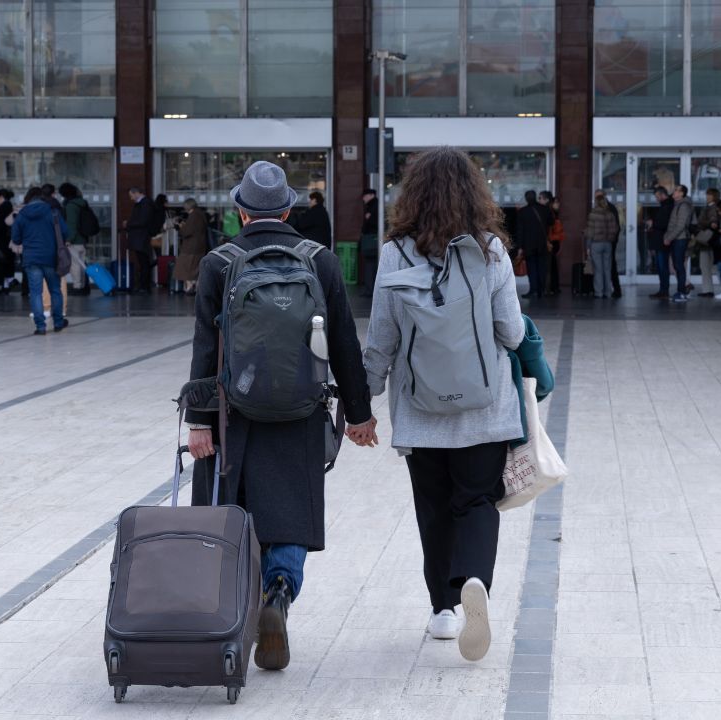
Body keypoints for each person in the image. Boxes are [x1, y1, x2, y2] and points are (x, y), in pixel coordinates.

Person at [186, 160, 376, 672]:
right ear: (289, 211)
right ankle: (279, 593)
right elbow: (343, 345)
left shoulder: (218, 263)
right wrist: (360, 415)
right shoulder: (321, 262)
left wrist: (199, 422)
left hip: (233, 415)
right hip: (301, 412)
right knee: (291, 512)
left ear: (240, 212)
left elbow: (205, 348)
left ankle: (238, 614)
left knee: (233, 513)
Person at [362, 146, 522, 662]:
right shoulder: (491, 250)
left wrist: (363, 401)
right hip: (484, 408)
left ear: (413, 194)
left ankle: (444, 610)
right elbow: (511, 332)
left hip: (421, 409)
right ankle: (474, 579)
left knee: (433, 510)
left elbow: (382, 337)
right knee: (477, 501)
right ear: (476, 193)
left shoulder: (395, 253)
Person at [11, 186, 68, 335]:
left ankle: (40, 326)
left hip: (31, 258)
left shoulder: (22, 214)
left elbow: (16, 239)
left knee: (36, 293)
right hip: (51, 257)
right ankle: (58, 323)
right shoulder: (53, 212)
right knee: (55, 290)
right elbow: (65, 232)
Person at [516, 190, 552, 299]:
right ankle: (542, 290)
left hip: (529, 245)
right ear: (536, 197)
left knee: (531, 268)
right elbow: (551, 222)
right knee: (542, 267)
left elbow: (520, 231)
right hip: (542, 245)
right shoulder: (545, 209)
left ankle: (534, 290)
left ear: (526, 199)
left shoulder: (523, 212)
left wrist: (520, 247)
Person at [663, 184, 694, 303]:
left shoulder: (683, 206)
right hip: (676, 239)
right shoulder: (678, 204)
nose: (674, 192)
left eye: (676, 190)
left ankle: (682, 292)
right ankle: (682, 291)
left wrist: (669, 238)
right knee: (677, 265)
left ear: (682, 193)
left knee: (679, 266)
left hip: (680, 239)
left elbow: (680, 225)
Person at [123, 187, 156, 293]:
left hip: (141, 237)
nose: (131, 198)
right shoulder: (143, 204)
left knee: (144, 262)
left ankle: (144, 286)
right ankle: (143, 285)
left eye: (131, 195)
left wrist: (128, 224)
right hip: (140, 237)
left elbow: (142, 221)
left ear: (136, 193)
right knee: (143, 262)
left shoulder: (145, 204)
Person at [60, 183, 91, 293]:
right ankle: (82, 285)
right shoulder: (82, 203)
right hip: (83, 238)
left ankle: (77, 286)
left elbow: (71, 224)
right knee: (81, 263)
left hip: (75, 240)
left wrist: (69, 239)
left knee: (75, 264)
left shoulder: (71, 206)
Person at [585, 193, 616, 299]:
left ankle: (599, 292)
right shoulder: (610, 214)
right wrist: (610, 239)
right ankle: (608, 292)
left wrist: (588, 246)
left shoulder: (593, 214)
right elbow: (615, 229)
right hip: (607, 244)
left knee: (598, 269)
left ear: (596, 202)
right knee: (607, 269)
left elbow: (590, 231)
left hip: (596, 244)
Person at [174, 197, 208, 295]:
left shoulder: (194, 215)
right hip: (200, 246)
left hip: (191, 248)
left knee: (187, 268)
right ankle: (196, 287)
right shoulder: (200, 214)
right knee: (196, 268)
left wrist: (180, 227)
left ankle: (189, 287)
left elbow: (187, 232)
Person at [693, 189, 721, 298]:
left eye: (710, 194)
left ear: (715, 196)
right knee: (705, 266)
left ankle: (711, 290)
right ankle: (708, 290)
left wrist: (703, 223)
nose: (707, 196)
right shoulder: (708, 207)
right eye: (707, 194)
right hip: (707, 241)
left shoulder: (713, 208)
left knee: (710, 266)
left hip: (709, 240)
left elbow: (713, 221)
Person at [647, 187, 673, 299]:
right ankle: (662, 290)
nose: (656, 198)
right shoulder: (665, 206)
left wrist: (652, 223)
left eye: (657, 196)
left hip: (663, 241)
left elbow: (664, 224)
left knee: (662, 267)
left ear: (662, 195)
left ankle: (664, 290)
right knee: (660, 266)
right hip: (660, 241)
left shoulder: (667, 206)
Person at [539, 192, 564, 296]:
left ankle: (550, 287)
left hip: (552, 242)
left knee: (550, 266)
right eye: (556, 203)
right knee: (551, 266)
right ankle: (552, 287)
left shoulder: (550, 213)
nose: (558, 205)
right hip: (553, 242)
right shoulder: (552, 213)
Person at [360, 188, 379, 294]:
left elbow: (371, 223)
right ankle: (370, 288)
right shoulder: (373, 206)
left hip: (371, 239)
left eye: (365, 196)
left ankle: (370, 289)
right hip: (372, 239)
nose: (363, 198)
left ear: (371, 195)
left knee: (370, 264)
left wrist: (368, 219)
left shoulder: (374, 206)